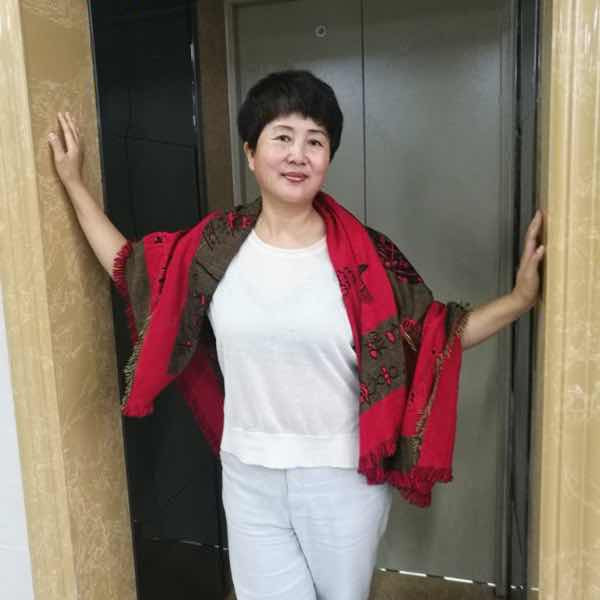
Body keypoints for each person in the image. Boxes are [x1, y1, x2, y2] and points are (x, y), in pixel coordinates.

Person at [48, 70, 544, 600]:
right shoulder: (212, 249)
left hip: (343, 482)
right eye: (282, 137)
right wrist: (74, 185)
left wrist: (519, 300)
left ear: (328, 157)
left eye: (315, 141)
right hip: (248, 476)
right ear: (250, 152)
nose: (298, 155)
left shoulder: (369, 259)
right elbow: (133, 269)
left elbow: (435, 337)